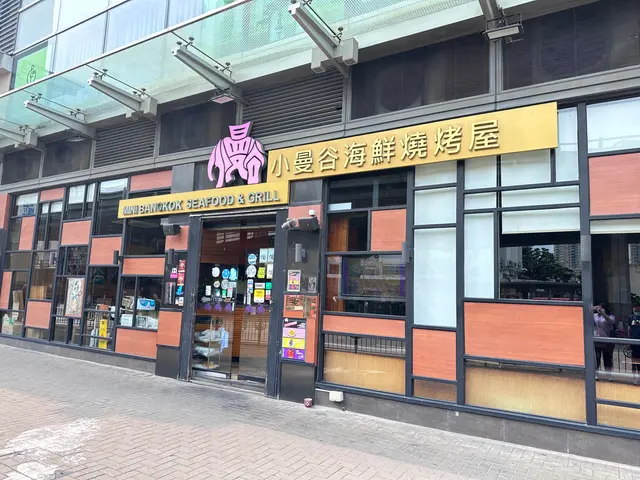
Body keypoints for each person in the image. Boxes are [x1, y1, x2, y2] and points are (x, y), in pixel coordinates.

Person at [594, 303, 616, 372]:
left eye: (602, 308)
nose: (599, 309)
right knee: (596, 358)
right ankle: (596, 373)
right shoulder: (595, 315)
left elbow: (611, 321)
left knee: (607, 358)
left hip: (607, 339)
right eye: (599, 307)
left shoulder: (611, 316)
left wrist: (602, 313)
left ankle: (608, 374)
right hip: (597, 339)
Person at [630, 306, 640, 382]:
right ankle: (634, 378)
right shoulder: (631, 317)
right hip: (633, 342)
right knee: (634, 361)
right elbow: (629, 329)